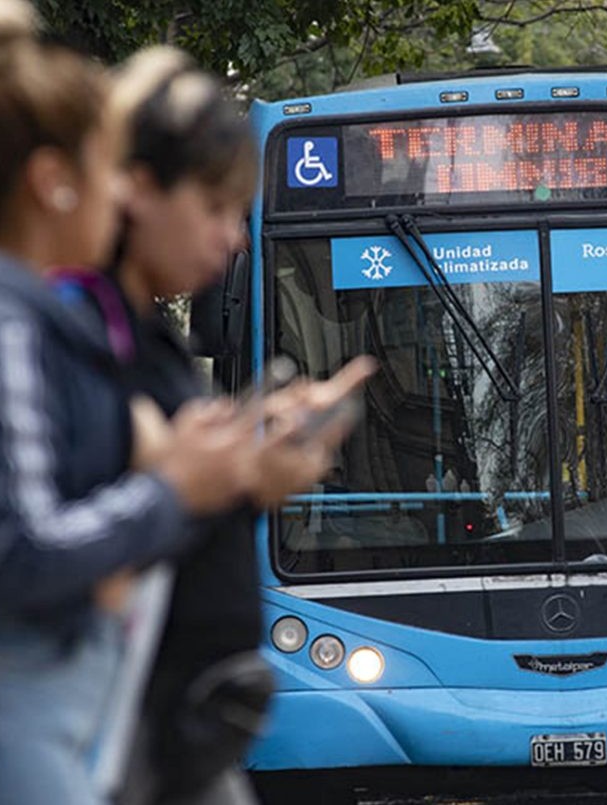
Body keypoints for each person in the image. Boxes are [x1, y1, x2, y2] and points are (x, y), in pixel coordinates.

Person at [0, 2, 342, 803]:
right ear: (55, 186)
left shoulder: (1, 322)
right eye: (106, 168)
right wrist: (174, 487)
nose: (119, 197)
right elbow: (19, 552)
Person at [57, 46, 368, 804]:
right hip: (102, 742)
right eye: (215, 209)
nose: (233, 238)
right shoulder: (67, 333)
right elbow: (66, 542)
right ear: (137, 189)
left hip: (174, 738)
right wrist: (219, 477)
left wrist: (251, 471)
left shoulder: (146, 335)